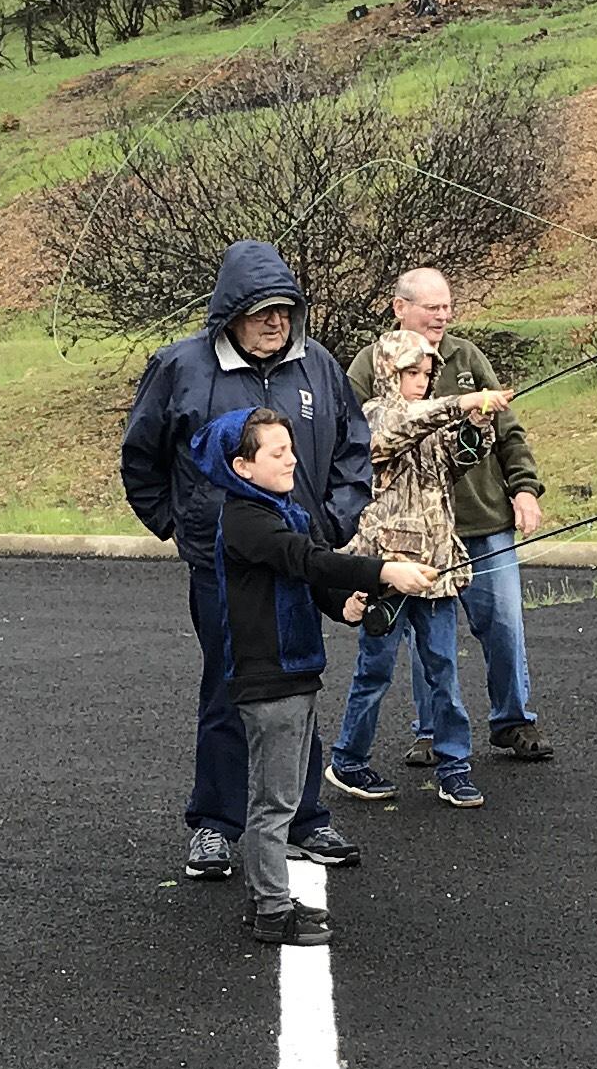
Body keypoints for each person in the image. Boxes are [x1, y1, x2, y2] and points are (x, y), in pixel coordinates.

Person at [118, 240, 376, 881]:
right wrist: (179, 526)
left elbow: (353, 449)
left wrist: (335, 523)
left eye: (285, 309)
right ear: (229, 311)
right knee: (230, 688)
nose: (275, 321)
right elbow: (140, 458)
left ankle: (307, 817)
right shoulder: (180, 366)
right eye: (261, 309)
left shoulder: (316, 363)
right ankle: (214, 823)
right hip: (222, 567)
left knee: (300, 685)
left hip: (300, 555)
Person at [194, 406, 437, 944]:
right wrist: (383, 570)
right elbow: (303, 559)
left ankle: (267, 902)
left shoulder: (281, 510)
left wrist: (344, 605)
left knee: (275, 797)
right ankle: (272, 913)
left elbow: (308, 575)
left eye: (290, 448)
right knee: (275, 803)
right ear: (241, 466)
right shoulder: (247, 520)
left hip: (295, 672)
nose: (291, 460)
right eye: (276, 453)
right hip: (270, 677)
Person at [326, 330, 507, 810]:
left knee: (443, 671)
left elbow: (460, 459)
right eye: (412, 373)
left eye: (427, 374)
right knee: (375, 671)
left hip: (437, 568)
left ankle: (454, 766)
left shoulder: (432, 420)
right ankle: (348, 758)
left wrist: (475, 424)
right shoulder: (374, 418)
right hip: (388, 572)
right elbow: (403, 427)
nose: (423, 382)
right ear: (389, 372)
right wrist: (460, 401)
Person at [380, 266, 552, 766]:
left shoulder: (468, 357)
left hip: (484, 520)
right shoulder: (375, 364)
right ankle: (430, 731)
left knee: (503, 622)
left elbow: (508, 430)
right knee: (428, 636)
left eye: (447, 306)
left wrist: (523, 489)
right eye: (431, 306)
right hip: (416, 533)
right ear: (400, 308)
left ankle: (513, 721)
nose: (442, 315)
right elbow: (354, 438)